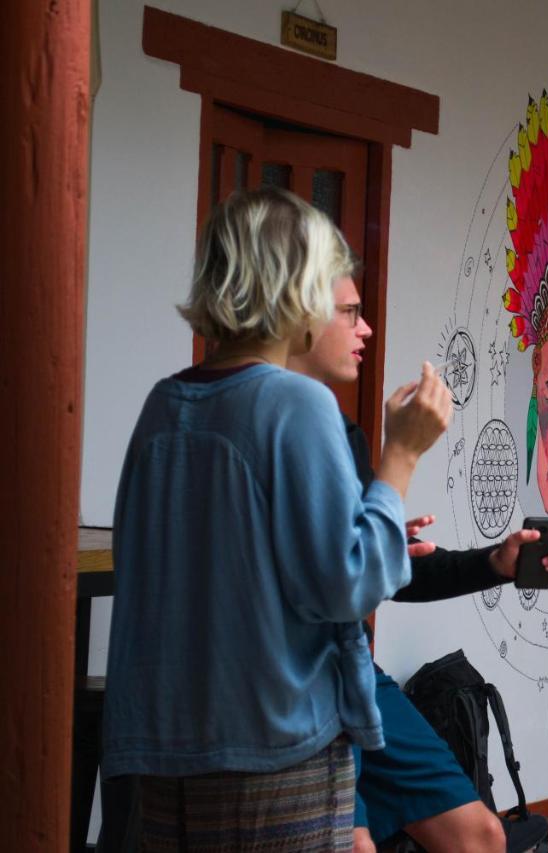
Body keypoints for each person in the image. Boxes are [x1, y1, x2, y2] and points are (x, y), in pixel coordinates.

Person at [102, 187, 452, 851]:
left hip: (159, 757)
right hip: (272, 753)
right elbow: (349, 584)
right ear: (296, 291)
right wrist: (400, 456)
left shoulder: (163, 404)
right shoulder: (297, 403)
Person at [287, 273, 548, 853]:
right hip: (296, 688)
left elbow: (377, 570)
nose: (365, 327)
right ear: (300, 317)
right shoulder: (271, 431)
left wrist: (495, 561)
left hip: (355, 676)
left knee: (481, 836)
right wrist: (402, 454)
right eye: (349, 312)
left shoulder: (341, 433)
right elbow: (337, 575)